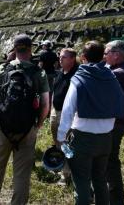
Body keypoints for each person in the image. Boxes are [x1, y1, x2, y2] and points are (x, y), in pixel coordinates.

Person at [0, 34, 50, 204]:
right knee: (22, 172)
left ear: (14, 48)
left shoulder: (3, 68)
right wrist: (38, 125)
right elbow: (45, 105)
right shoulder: (38, 72)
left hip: (3, 127)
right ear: (30, 49)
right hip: (27, 128)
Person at [57, 41, 124, 205]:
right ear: (102, 57)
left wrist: (60, 137)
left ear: (83, 58)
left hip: (82, 139)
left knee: (81, 182)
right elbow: (120, 103)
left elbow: (67, 111)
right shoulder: (112, 77)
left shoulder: (79, 78)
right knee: (100, 180)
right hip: (106, 138)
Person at [104, 40, 124, 205]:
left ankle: (115, 199)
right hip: (119, 122)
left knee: (110, 162)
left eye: (106, 52)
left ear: (116, 55)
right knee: (109, 160)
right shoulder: (123, 70)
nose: (104, 55)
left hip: (114, 124)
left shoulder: (118, 73)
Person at [50, 48, 78, 185]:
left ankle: (66, 174)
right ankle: (60, 166)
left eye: (64, 57)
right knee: (57, 142)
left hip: (67, 114)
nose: (60, 59)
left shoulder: (76, 74)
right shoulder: (61, 73)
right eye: (60, 57)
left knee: (66, 144)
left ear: (72, 58)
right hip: (55, 111)